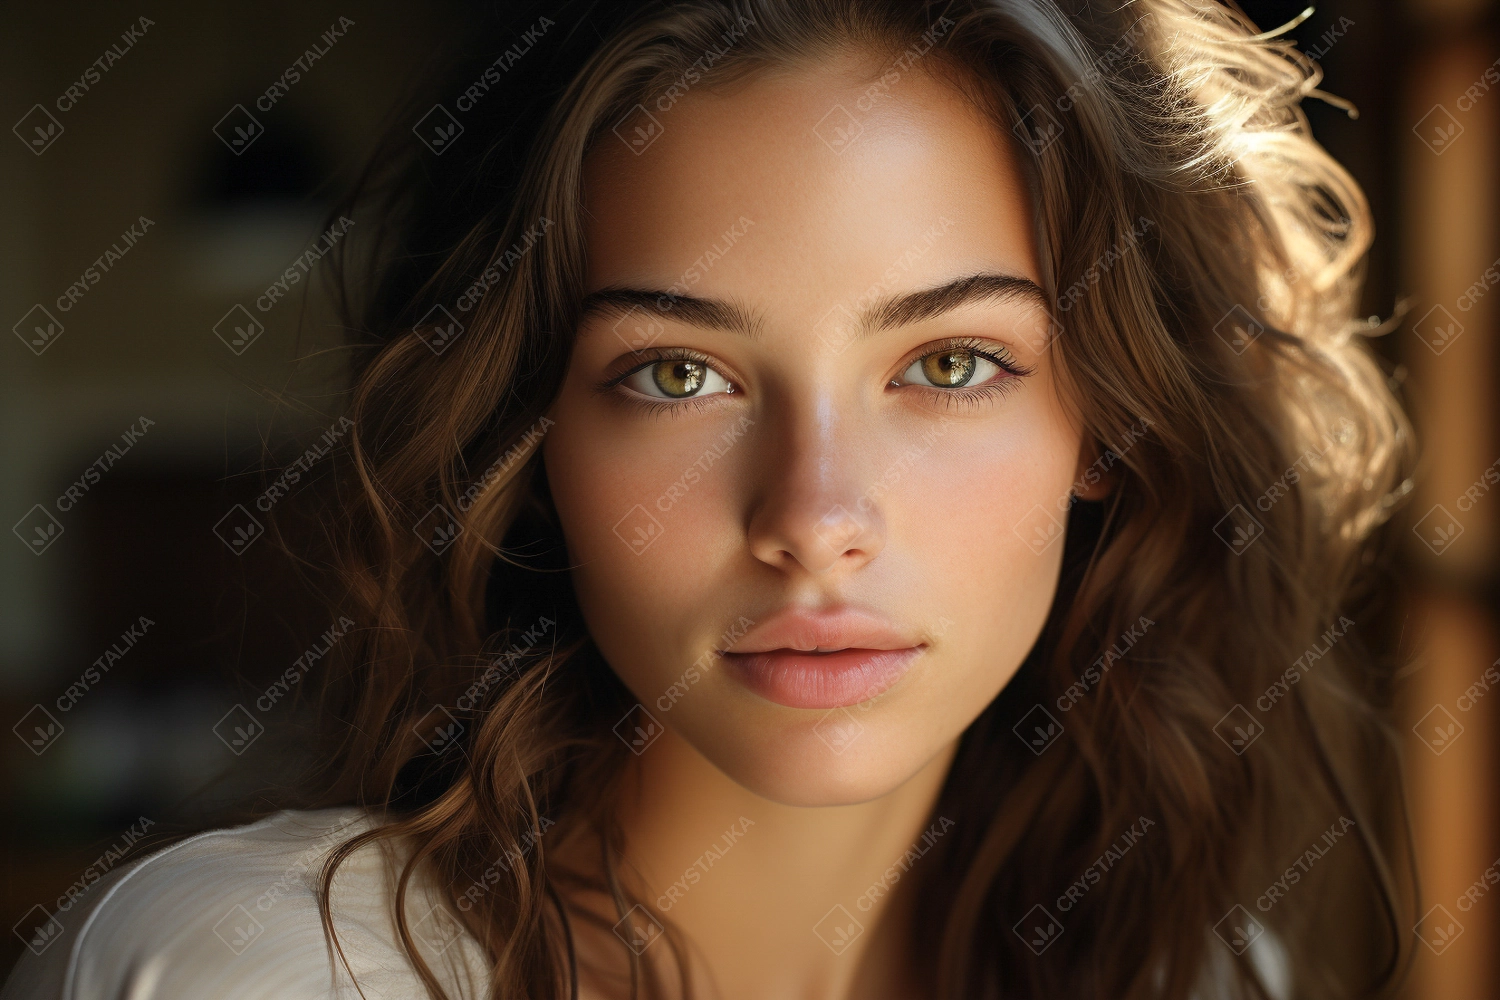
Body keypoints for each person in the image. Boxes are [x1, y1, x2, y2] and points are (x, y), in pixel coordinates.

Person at [4, 1, 1416, 997]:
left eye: (951, 361)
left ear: (1109, 416)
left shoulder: (1203, 978)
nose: (812, 515)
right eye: (679, 374)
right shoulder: (258, 973)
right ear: (534, 432)